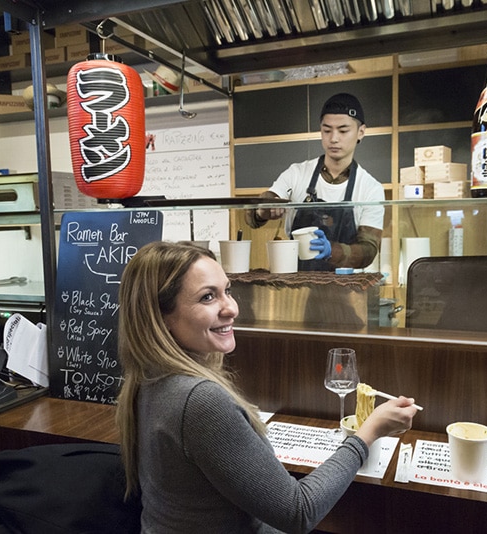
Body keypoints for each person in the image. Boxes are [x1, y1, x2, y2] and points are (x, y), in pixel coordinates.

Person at [116, 241, 417, 533]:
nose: (231, 308)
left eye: (227, 291)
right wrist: (369, 432)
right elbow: (300, 511)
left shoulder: (148, 376)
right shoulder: (199, 400)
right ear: (161, 317)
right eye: (208, 297)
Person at [245, 93, 385, 271]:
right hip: (297, 287)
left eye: (343, 131)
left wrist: (332, 251)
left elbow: (368, 250)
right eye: (327, 130)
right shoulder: (296, 174)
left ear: (361, 132)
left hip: (346, 289)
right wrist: (263, 207)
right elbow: (251, 217)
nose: (333, 138)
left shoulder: (370, 188)